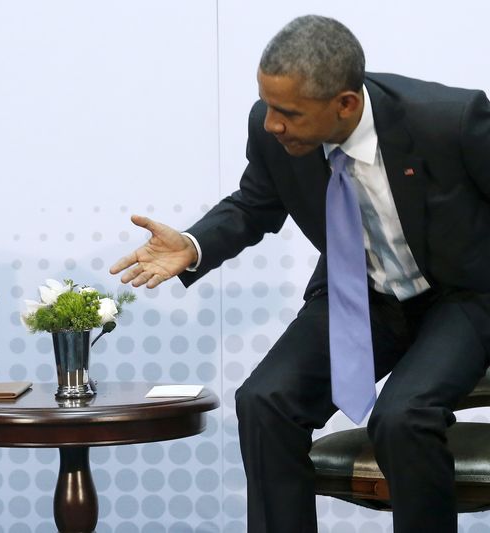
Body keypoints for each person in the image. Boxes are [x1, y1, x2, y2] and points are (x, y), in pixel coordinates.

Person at [111, 15, 490, 533]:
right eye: (268, 105)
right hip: (363, 295)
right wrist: (194, 244)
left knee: (403, 417)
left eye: (288, 112)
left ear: (346, 105)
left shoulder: (449, 121)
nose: (272, 124)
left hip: (462, 298)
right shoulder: (271, 131)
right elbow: (255, 205)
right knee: (264, 401)